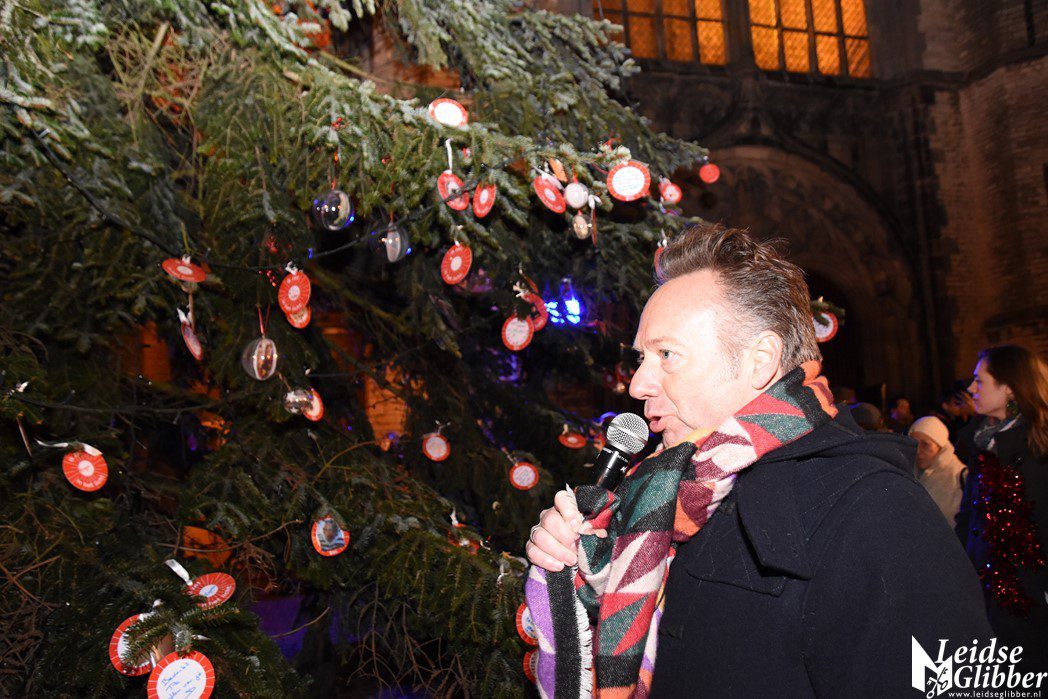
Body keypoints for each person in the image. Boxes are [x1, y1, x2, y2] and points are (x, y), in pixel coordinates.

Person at [524, 225, 990, 698]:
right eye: (642, 357)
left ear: (760, 360)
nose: (638, 385)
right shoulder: (663, 492)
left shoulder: (877, 511)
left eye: (666, 354)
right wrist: (585, 565)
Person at [956, 345, 1048, 664]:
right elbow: (969, 516)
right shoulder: (981, 442)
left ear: (1008, 387)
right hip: (986, 590)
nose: (971, 388)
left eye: (980, 381)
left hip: (1030, 599)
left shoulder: (1038, 446)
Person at [908, 415, 966, 523]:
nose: (918, 451)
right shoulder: (909, 471)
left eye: (925, 444)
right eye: (914, 444)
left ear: (940, 446)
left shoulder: (958, 477)